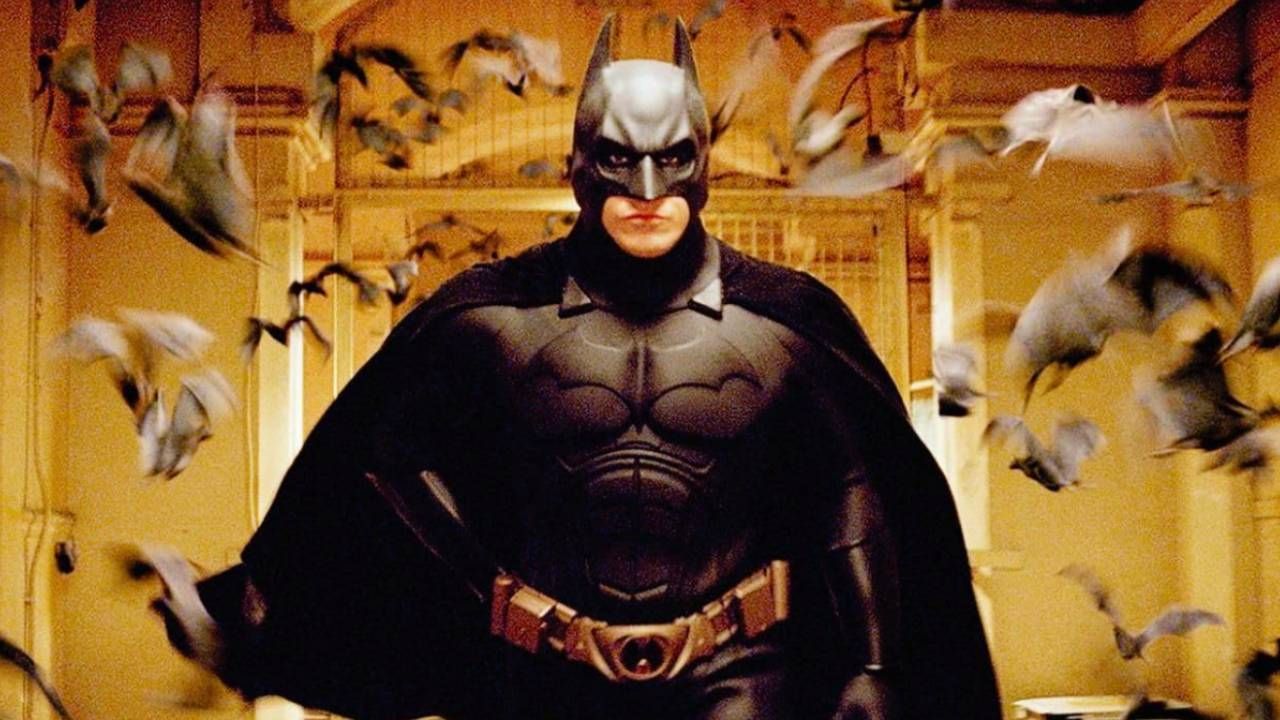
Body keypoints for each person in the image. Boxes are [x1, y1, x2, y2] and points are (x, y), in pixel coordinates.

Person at [152, 16, 1001, 720]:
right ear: (577, 166)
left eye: (672, 159)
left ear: (703, 163)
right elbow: (375, 459)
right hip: (540, 680)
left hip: (742, 676)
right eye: (619, 159)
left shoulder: (789, 323)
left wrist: (876, 664)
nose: (646, 188)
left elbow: (854, 486)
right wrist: (461, 587)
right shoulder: (488, 318)